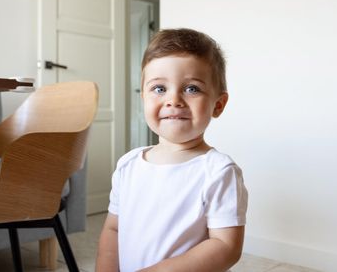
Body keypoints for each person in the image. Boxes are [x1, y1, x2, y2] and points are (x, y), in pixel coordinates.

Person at [96, 28, 248, 272]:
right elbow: (113, 229)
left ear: (217, 105)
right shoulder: (128, 165)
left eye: (192, 89)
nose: (173, 100)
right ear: (143, 98)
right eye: (159, 89)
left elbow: (226, 246)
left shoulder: (218, 172)